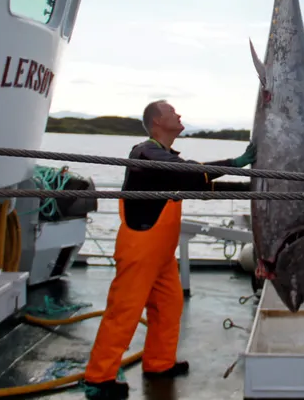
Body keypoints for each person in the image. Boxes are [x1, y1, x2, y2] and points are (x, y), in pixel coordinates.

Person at [82, 100, 257, 400]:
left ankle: (159, 364)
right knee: (123, 312)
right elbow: (189, 173)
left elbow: (199, 185)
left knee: (168, 307)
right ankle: (99, 378)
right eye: (173, 111)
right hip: (140, 248)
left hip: (162, 254)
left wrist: (254, 189)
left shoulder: (165, 158)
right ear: (157, 122)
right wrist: (236, 162)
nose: (179, 114)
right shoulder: (145, 153)